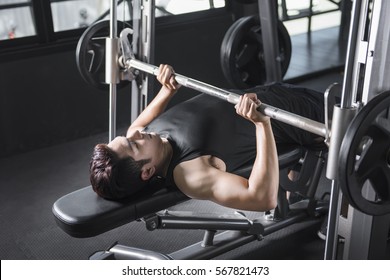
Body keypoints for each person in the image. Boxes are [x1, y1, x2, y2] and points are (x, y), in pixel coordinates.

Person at [89, 64, 325, 211]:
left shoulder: (141, 138)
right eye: (132, 144)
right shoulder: (189, 175)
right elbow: (262, 199)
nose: (136, 133)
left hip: (266, 93)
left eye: (125, 137)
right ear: (148, 171)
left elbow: (137, 125)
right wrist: (262, 124)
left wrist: (167, 89)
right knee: (354, 122)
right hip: (294, 117)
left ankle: (295, 197)